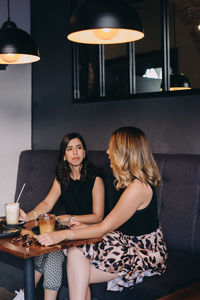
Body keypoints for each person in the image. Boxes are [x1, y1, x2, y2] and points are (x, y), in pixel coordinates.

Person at [35, 126, 168, 300]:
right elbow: (112, 224)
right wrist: (82, 227)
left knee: (77, 272)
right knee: (75, 253)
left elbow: (104, 226)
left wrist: (62, 235)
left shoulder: (138, 188)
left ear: (124, 152)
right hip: (123, 239)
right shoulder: (126, 182)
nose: (107, 152)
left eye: (111, 148)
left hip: (143, 251)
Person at [14, 132, 105, 300]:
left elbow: (98, 216)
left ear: (84, 152)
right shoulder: (62, 177)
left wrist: (70, 218)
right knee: (51, 253)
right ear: (64, 155)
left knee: (48, 251)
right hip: (69, 232)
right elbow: (47, 203)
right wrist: (29, 216)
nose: (75, 153)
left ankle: (25, 294)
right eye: (70, 149)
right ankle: (27, 295)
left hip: (89, 233)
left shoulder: (95, 178)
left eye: (79, 148)